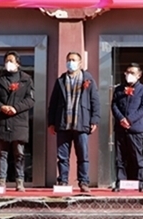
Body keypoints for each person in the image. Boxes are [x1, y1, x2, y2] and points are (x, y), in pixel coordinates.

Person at [48, 51, 100, 193]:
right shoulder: (60, 81)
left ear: (80, 63)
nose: (71, 62)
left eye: (74, 60)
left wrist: (94, 119)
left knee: (83, 155)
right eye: (69, 59)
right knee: (62, 156)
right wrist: (51, 122)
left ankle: (84, 182)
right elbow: (53, 103)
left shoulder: (88, 80)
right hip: (63, 123)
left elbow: (95, 101)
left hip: (81, 122)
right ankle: (63, 181)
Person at [0, 51, 35, 192]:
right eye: (6, 61)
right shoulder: (0, 80)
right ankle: (1, 181)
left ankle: (19, 181)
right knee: (2, 153)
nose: (8, 63)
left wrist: (16, 108)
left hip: (19, 122)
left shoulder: (26, 80)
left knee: (19, 154)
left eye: (11, 61)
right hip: (3, 121)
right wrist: (1, 107)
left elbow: (30, 100)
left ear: (18, 63)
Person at [111, 63, 143, 192]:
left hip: (136, 129)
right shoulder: (119, 89)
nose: (129, 75)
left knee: (137, 157)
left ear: (139, 75)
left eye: (132, 73)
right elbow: (114, 105)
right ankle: (120, 182)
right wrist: (121, 119)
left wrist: (129, 120)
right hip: (120, 128)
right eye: (127, 72)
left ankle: (139, 182)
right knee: (120, 157)